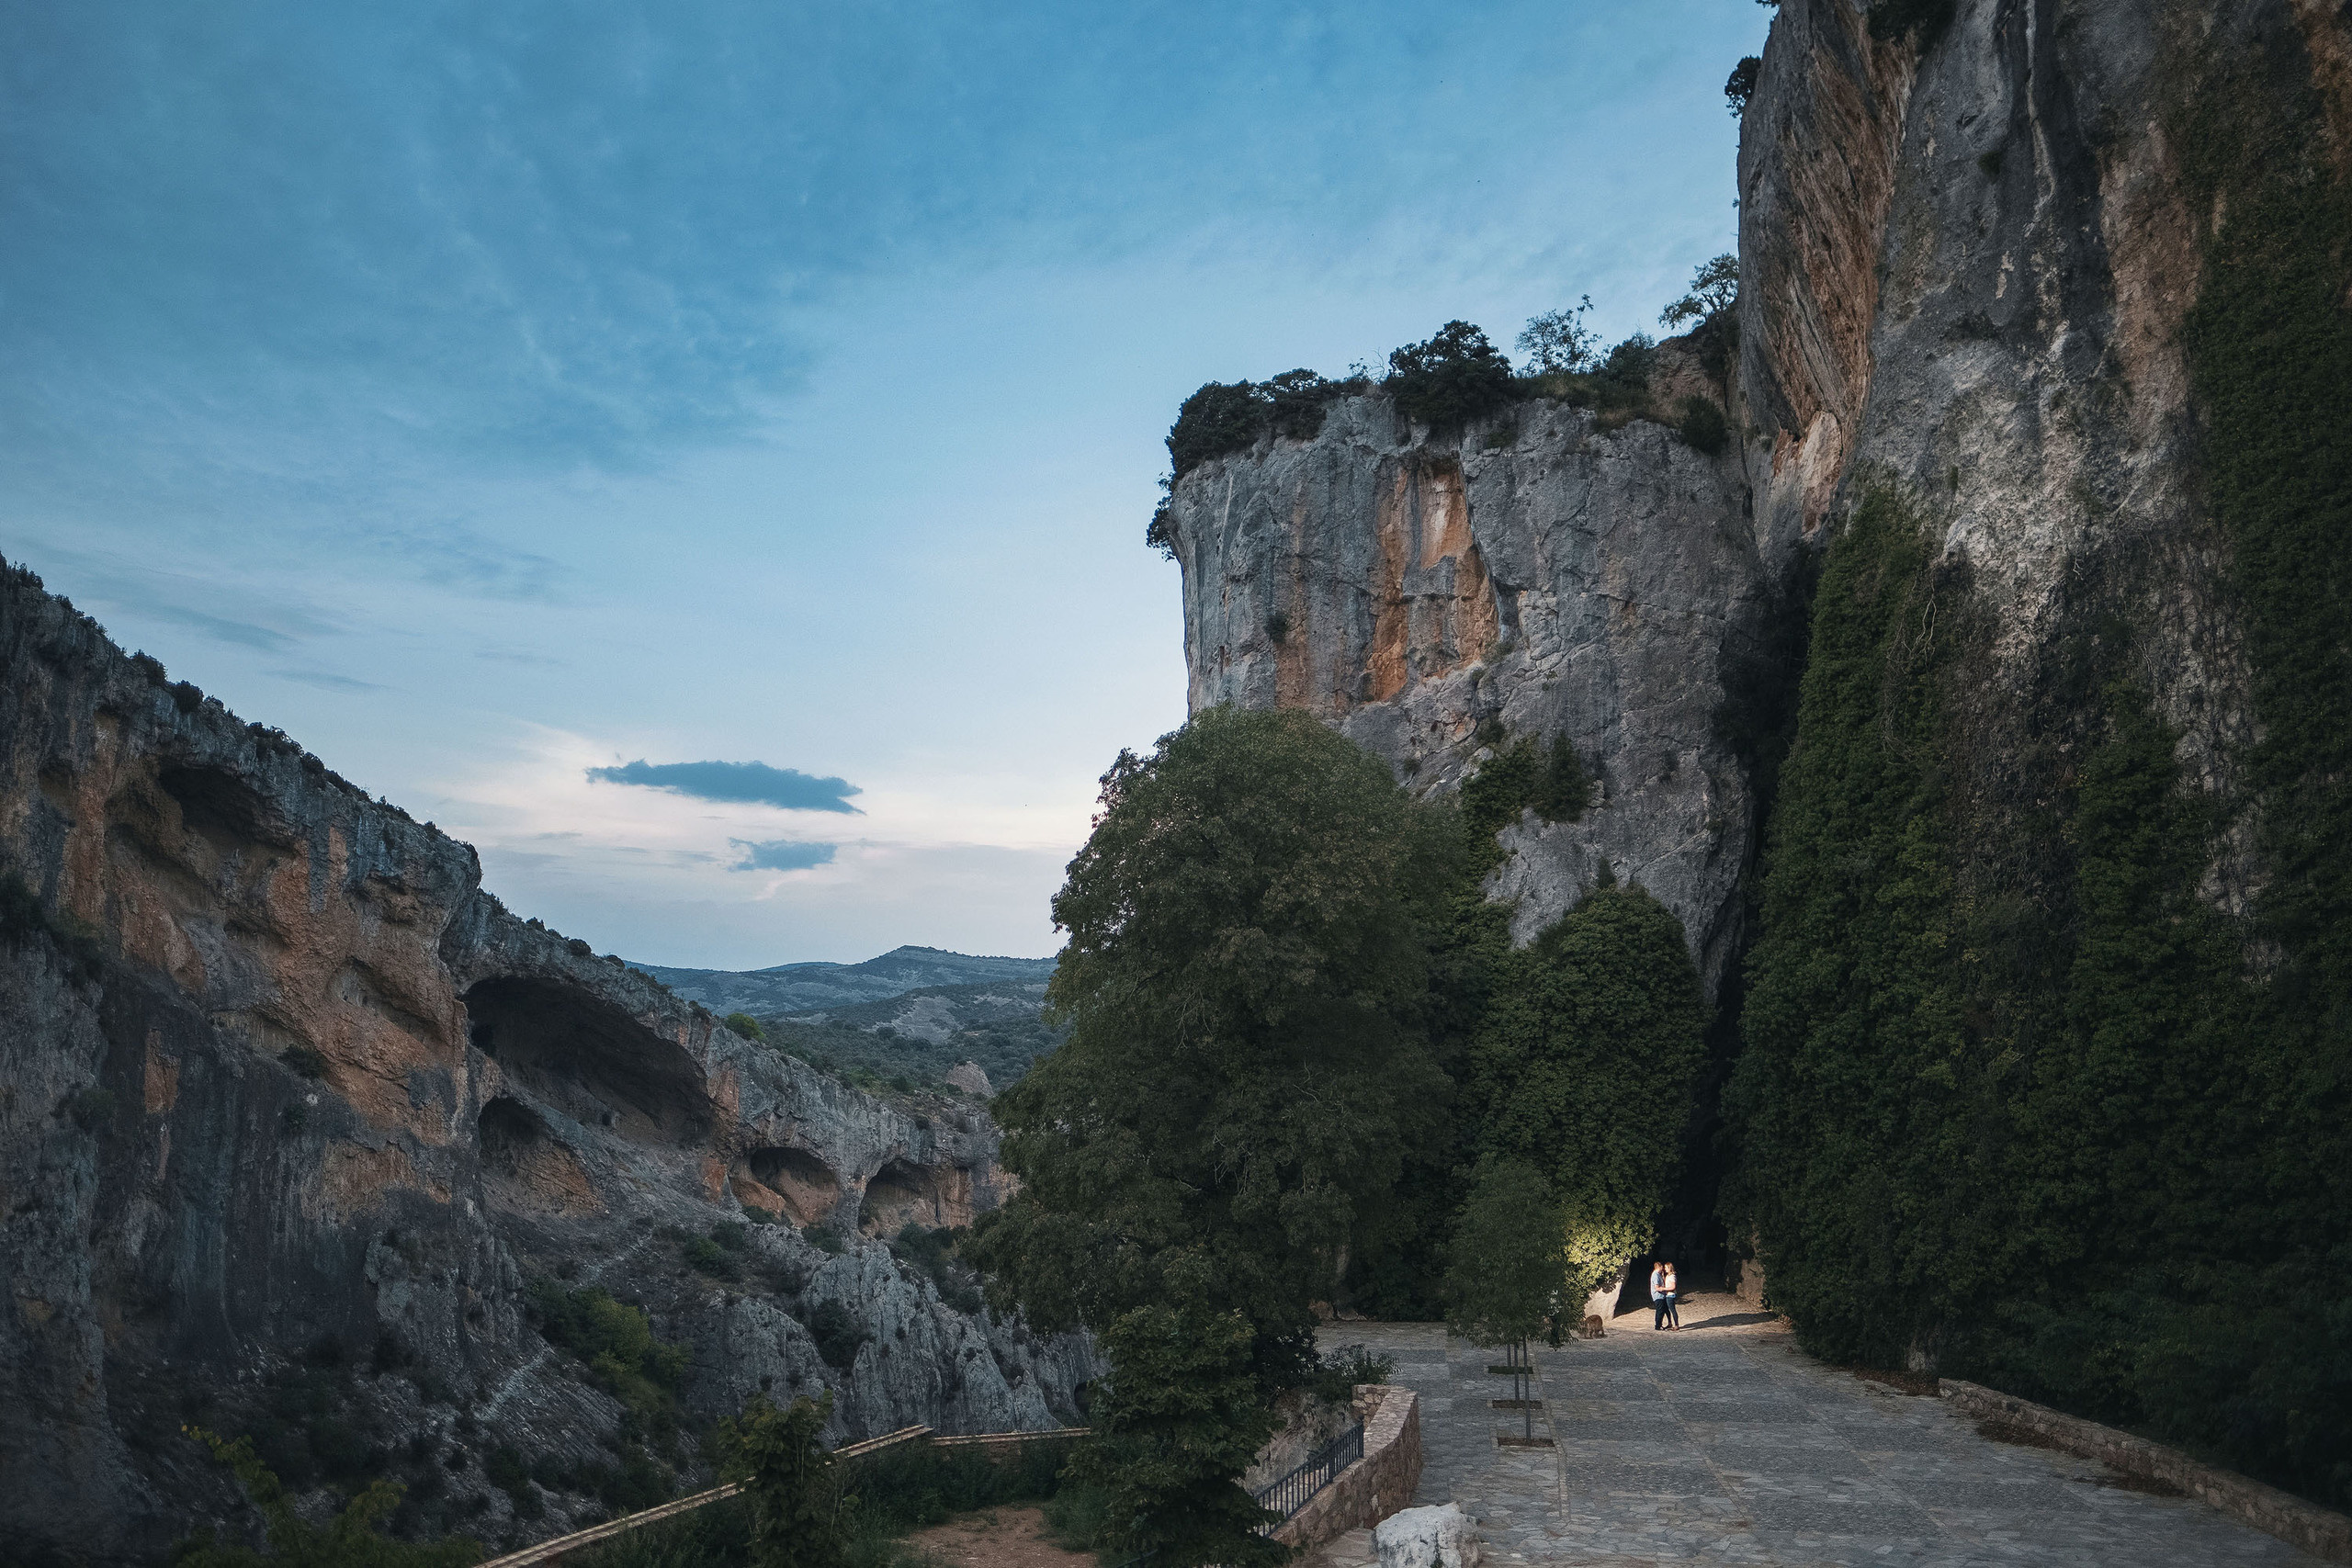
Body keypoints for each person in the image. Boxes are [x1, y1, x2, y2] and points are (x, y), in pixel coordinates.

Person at [1650, 1259, 1671, 1329]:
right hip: (1658, 1296)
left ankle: (1667, 1323)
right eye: (1662, 1267)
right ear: (1659, 1267)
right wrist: (1665, 1289)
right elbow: (1657, 1288)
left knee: (1665, 1309)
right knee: (1660, 1310)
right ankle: (1658, 1325)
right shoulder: (1655, 1275)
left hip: (1662, 1296)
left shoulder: (1658, 1275)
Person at [1663, 1261, 1681, 1329]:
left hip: (1670, 1295)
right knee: (1667, 1309)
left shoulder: (1672, 1276)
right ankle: (1670, 1323)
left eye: (1666, 1268)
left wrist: (1664, 1289)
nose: (1665, 1269)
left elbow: (1673, 1287)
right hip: (1667, 1295)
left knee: (1672, 1310)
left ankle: (1676, 1324)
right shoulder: (1668, 1276)